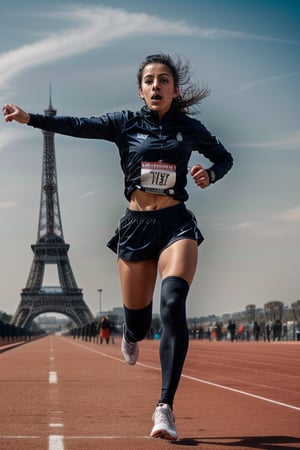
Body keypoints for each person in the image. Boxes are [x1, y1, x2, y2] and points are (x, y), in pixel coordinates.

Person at [2, 53, 233, 440]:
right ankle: (129, 333)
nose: (156, 86)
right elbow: (76, 124)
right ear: (141, 90)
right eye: (149, 81)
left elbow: (224, 158)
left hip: (177, 223)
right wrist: (32, 119)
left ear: (175, 90)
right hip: (136, 227)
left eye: (164, 80)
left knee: (174, 303)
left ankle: (164, 407)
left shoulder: (190, 129)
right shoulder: (124, 124)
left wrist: (209, 174)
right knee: (140, 323)